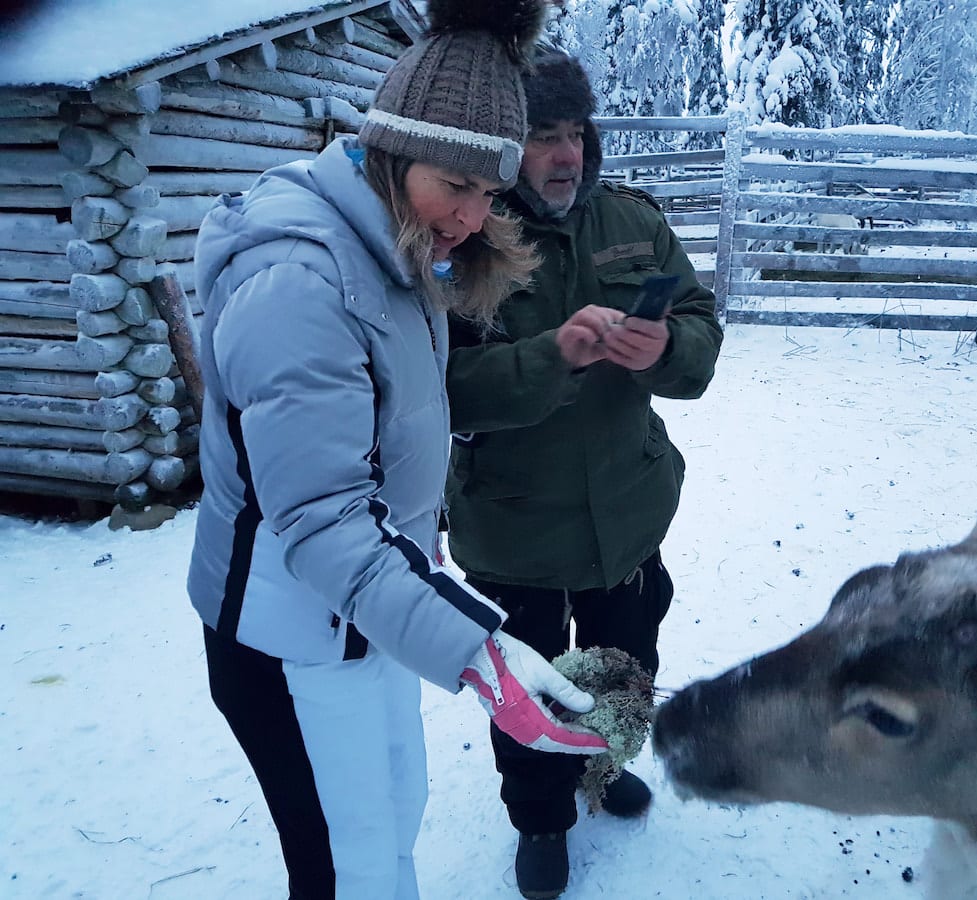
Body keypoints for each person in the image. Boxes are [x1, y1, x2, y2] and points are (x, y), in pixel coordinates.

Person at [185, 5, 609, 899]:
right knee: (351, 871)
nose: (469, 215)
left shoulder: (400, 251)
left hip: (369, 615)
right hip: (290, 635)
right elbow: (323, 518)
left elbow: (400, 432)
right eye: (455, 183)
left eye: (489, 193)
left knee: (392, 816)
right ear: (389, 150)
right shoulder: (300, 281)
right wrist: (482, 652)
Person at [444, 47, 724, 900]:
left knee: (625, 667)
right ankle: (540, 818)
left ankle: (601, 768)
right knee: (531, 695)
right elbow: (436, 393)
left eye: (574, 133)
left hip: (629, 516)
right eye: (539, 137)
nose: (566, 156)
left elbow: (702, 330)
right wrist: (551, 356)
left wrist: (670, 348)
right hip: (515, 524)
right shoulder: (462, 236)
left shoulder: (634, 221)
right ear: (499, 144)